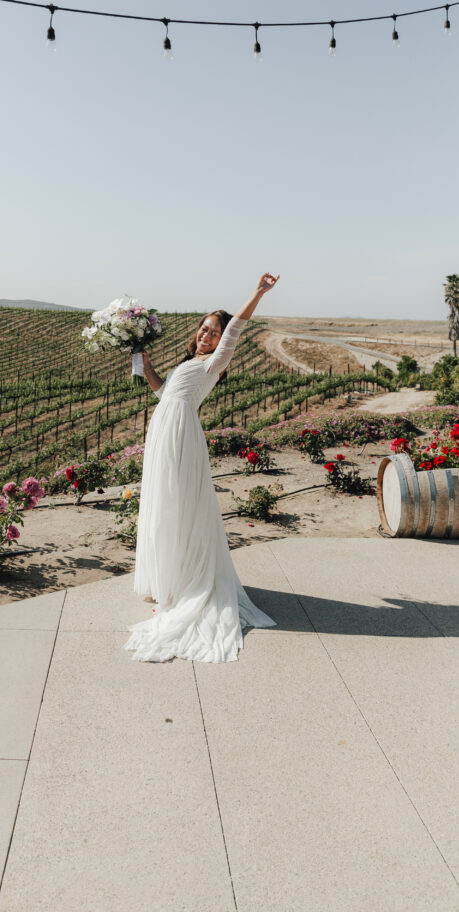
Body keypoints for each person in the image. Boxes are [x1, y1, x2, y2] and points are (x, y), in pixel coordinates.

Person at [125, 273, 280, 663]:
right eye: (205, 329)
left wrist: (258, 293)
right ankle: (168, 578)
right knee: (162, 502)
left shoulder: (215, 361)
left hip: (181, 436)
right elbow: (164, 392)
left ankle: (182, 581)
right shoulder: (189, 362)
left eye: (215, 332)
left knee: (179, 505)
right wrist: (143, 363)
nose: (208, 336)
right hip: (163, 428)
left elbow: (237, 329)